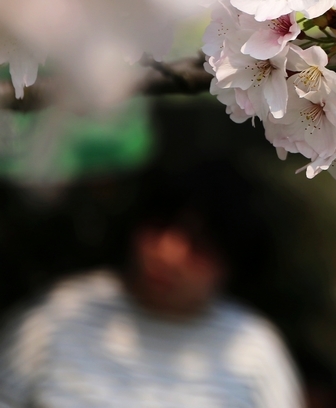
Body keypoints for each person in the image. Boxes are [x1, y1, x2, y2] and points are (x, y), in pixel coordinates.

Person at [0, 162, 304, 408]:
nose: (169, 254)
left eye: (199, 245)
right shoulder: (63, 313)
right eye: (159, 227)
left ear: (232, 262)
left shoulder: (254, 351)